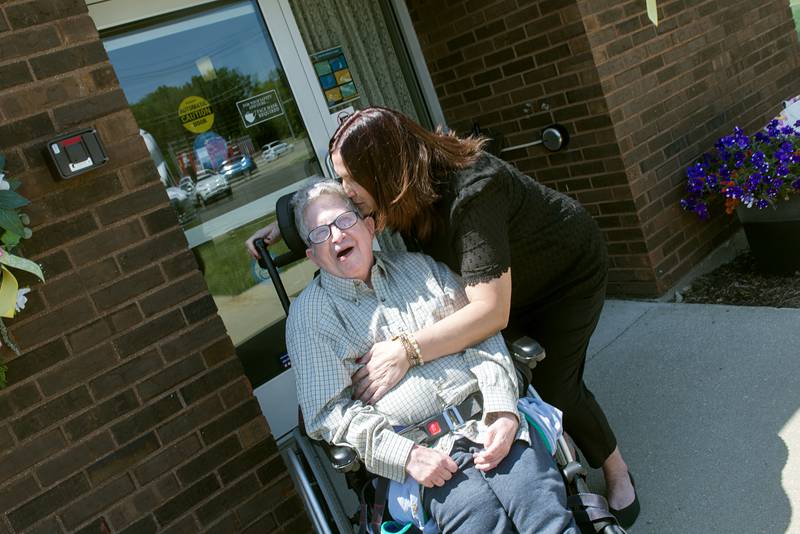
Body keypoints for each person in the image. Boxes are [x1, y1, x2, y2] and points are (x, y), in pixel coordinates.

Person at [246, 107, 638, 527]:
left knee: (556, 383)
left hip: (560, 277)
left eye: (348, 184)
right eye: (339, 180)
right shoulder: (318, 312)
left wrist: (414, 354)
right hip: (433, 424)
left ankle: (617, 472)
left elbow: (487, 316)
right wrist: (290, 225)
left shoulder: (469, 197)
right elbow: (330, 414)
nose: (346, 192)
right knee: (479, 515)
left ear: (380, 185)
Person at [286, 178, 577, 533]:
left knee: (541, 505)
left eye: (343, 221)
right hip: (418, 454)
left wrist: (503, 410)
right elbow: (329, 413)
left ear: (368, 226)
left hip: (485, 421)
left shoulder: (421, 270)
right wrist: (406, 456)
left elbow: (480, 332)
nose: (335, 236)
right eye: (319, 233)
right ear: (311, 255)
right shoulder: (310, 319)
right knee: (478, 515)